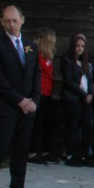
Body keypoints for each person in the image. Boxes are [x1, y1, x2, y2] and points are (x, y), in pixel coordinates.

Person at [0, 5, 42, 188]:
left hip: (27, 109)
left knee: (21, 151)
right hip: (6, 107)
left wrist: (34, 100)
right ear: (1, 22)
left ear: (22, 20)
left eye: (15, 20)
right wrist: (19, 100)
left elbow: (36, 74)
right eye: (7, 21)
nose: (11, 24)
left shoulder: (30, 46)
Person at [60, 33, 94, 167]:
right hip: (73, 99)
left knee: (88, 127)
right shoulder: (67, 61)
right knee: (72, 127)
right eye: (77, 46)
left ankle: (85, 155)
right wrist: (84, 94)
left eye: (82, 46)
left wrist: (90, 94)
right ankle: (70, 155)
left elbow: (91, 81)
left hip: (86, 100)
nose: (80, 48)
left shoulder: (86, 63)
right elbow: (69, 81)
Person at [28, 27, 59, 164]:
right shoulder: (33, 50)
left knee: (50, 122)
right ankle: (31, 153)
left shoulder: (47, 55)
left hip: (47, 93)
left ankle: (46, 151)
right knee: (37, 123)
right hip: (38, 92)